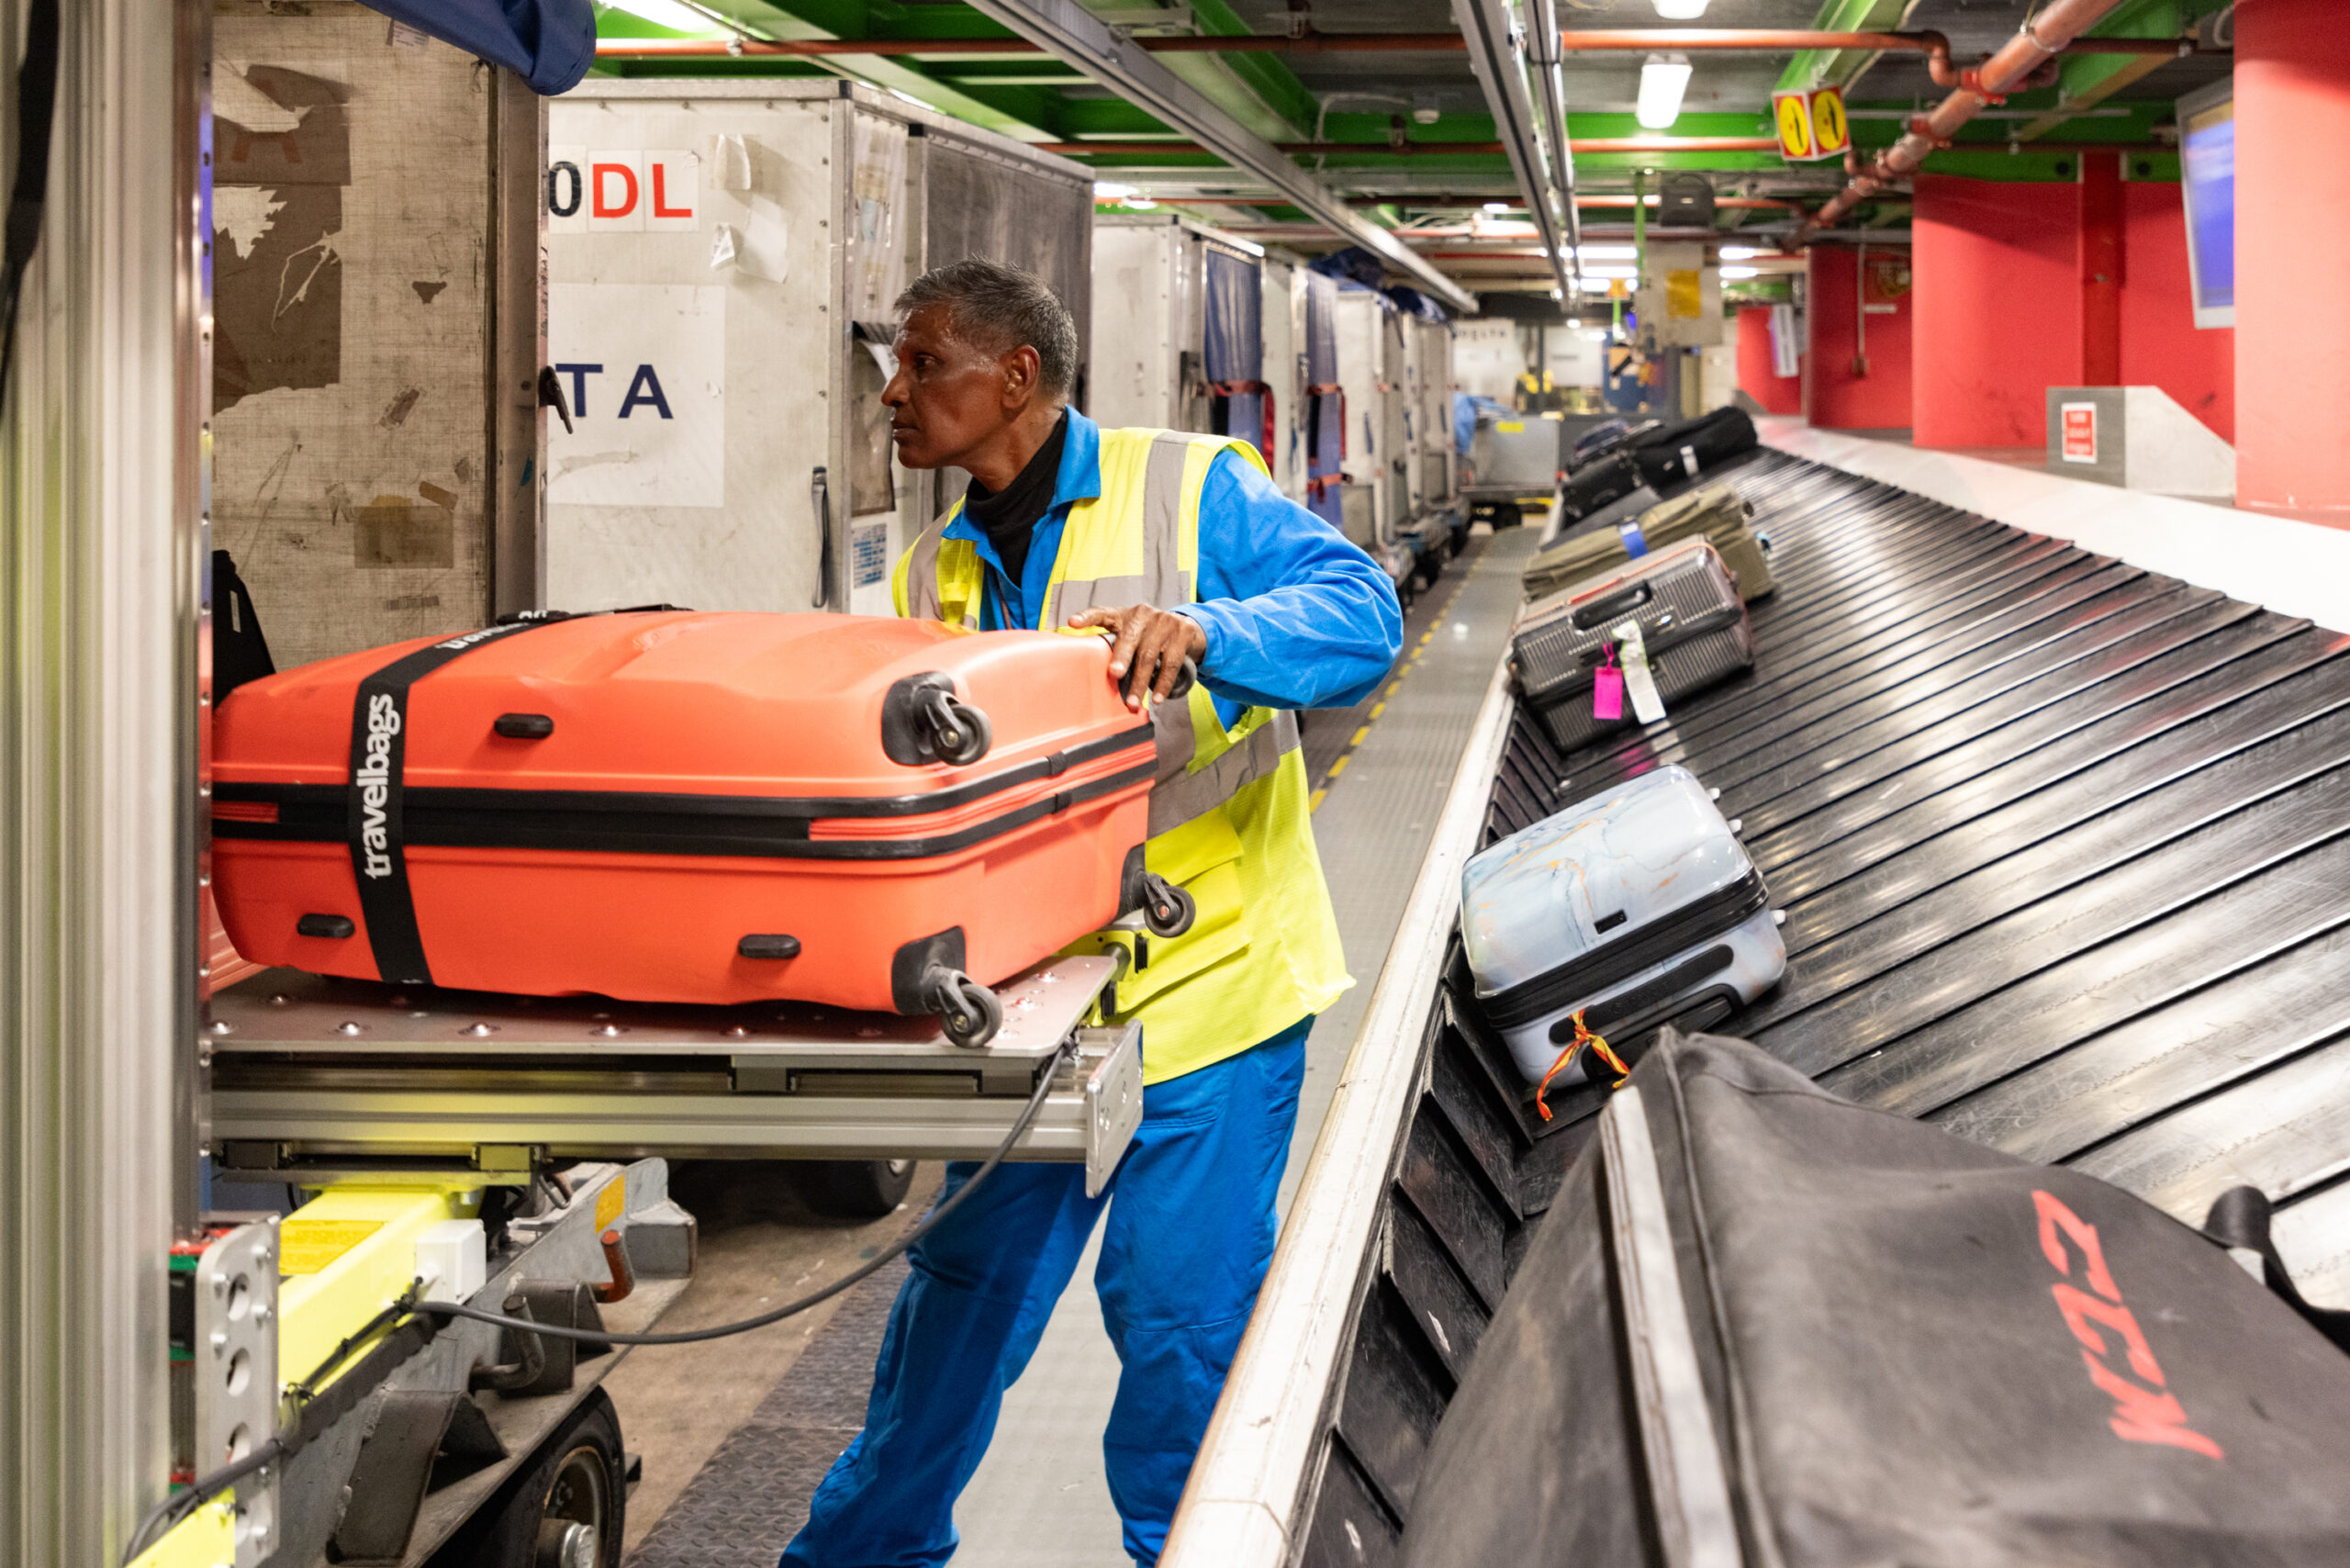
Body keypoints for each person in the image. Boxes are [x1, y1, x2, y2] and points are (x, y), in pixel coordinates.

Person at [780, 259, 1403, 1568]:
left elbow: (1364, 611)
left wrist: (1206, 627)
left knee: (1178, 1341)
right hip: (1028, 1018)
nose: (894, 392)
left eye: (922, 363)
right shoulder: (932, 578)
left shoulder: (1189, 486)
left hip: (1209, 998)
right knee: (951, 1328)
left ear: (1014, 377)